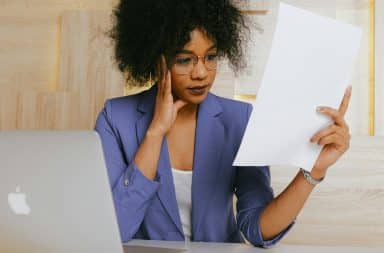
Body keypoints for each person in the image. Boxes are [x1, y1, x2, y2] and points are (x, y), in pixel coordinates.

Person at [95, 0, 351, 248]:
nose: (201, 73)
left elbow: (258, 230)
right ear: (155, 57)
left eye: (211, 57)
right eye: (185, 60)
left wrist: (313, 170)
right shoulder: (115, 119)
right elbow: (115, 228)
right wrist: (155, 132)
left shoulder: (238, 119)